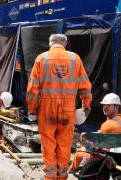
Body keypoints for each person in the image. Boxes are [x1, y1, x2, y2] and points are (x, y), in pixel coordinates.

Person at [26, 34, 92, 180]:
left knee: (48, 144)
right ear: (65, 44)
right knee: (64, 144)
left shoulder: (42, 59)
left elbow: (32, 90)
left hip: (47, 109)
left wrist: (32, 110)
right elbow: (85, 87)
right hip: (68, 110)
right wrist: (85, 106)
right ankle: (62, 177)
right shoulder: (75, 58)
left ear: (51, 44)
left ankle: (50, 177)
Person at [69, 93, 121, 172]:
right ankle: (85, 160)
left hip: (110, 158)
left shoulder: (108, 124)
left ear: (117, 106)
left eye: (108, 105)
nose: (105, 107)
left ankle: (72, 170)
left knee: (79, 153)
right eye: (104, 105)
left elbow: (97, 144)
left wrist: (85, 143)